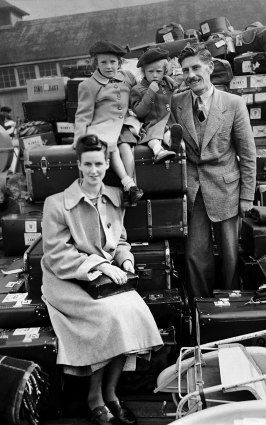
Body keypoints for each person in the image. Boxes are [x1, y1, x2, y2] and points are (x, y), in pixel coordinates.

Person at [41, 134, 163, 425]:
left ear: (108, 163)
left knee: (134, 311)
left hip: (103, 280)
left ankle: (111, 391)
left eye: (99, 163)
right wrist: (102, 266)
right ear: (79, 166)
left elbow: (120, 240)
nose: (94, 170)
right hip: (68, 280)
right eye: (88, 164)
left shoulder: (113, 195)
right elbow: (58, 255)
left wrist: (126, 260)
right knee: (109, 318)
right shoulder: (56, 204)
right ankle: (94, 396)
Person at [171, 45, 256, 299]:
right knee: (196, 255)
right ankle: (203, 308)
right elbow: (170, 139)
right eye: (186, 70)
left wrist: (247, 197)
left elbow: (248, 154)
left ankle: (230, 306)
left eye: (196, 67)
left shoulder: (233, 104)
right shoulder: (177, 102)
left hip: (227, 189)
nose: (191, 75)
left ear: (210, 67)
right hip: (193, 190)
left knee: (230, 254)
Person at [74, 40, 143, 206]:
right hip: (101, 126)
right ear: (95, 64)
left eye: (113, 62)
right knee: (111, 148)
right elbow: (82, 115)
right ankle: (128, 184)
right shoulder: (88, 85)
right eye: (103, 62)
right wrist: (79, 140)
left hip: (125, 123)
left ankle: (130, 187)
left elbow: (139, 92)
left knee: (127, 147)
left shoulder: (127, 77)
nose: (109, 66)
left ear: (119, 63)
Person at [130, 48, 183, 163]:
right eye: (150, 71)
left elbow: (177, 88)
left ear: (164, 72)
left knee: (169, 134)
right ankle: (158, 151)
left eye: (159, 72)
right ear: (144, 72)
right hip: (150, 124)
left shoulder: (166, 84)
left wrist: (168, 79)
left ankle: (173, 146)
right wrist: (150, 92)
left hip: (168, 123)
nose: (154, 75)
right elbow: (139, 112)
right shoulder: (138, 89)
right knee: (153, 137)